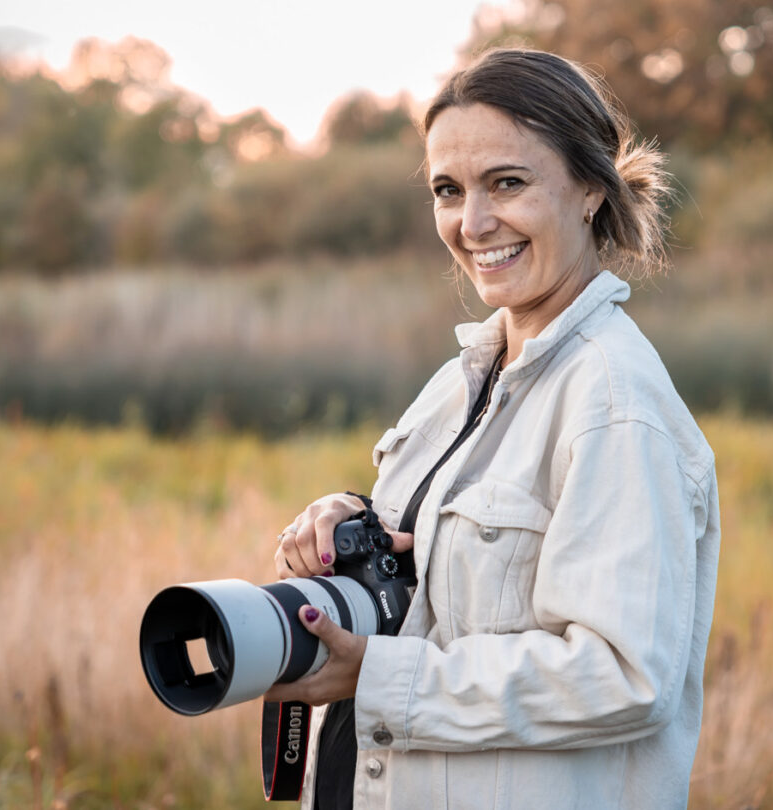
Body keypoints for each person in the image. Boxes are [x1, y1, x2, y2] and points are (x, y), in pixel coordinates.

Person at [264, 48, 720, 810]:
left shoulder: (612, 401)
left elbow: (624, 676)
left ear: (588, 189)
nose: (472, 224)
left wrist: (381, 678)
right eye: (449, 190)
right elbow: (445, 587)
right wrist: (350, 521)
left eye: (507, 183)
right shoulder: (459, 381)